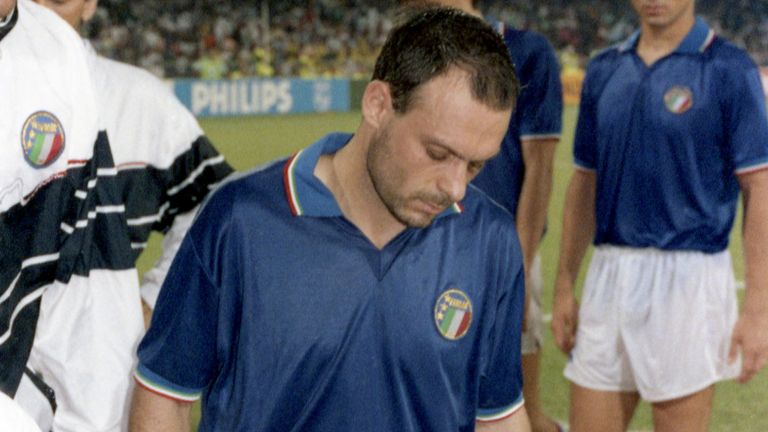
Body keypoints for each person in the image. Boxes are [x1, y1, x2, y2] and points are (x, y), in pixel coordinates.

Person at [130, 8, 531, 432]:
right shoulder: (241, 219)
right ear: (378, 104)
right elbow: (165, 397)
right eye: (437, 154)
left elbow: (498, 418)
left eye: (474, 166)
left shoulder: (489, 239)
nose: (455, 188)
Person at [4, 0, 234, 430]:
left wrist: (154, 298)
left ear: (91, 6)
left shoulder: (136, 98)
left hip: (102, 378)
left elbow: (216, 205)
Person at [551, 0, 768, 431]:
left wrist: (758, 308)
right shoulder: (604, 68)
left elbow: (759, 188)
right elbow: (583, 182)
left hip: (689, 280)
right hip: (608, 274)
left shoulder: (728, 68)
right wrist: (563, 283)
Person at [406, 1, 564, 431]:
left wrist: (521, 263)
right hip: (418, 252)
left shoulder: (528, 52)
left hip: (499, 252)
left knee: (516, 410)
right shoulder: (408, 50)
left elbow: (541, 170)